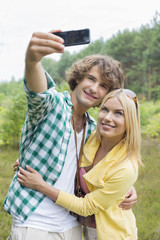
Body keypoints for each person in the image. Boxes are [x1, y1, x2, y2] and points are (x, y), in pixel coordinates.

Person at [3, 30, 137, 240]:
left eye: (103, 86)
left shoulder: (94, 128)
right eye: (90, 79)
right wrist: (32, 60)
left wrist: (127, 187)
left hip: (71, 225)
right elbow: (39, 92)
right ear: (78, 78)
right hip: (35, 221)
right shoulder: (52, 106)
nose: (94, 88)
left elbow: (108, 165)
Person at [17, 88, 142, 240]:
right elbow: (66, 154)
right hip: (84, 229)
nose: (108, 118)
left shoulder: (126, 167)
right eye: (105, 109)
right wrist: (30, 160)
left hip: (112, 234)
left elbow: (86, 207)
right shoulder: (91, 138)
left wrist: (40, 185)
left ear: (131, 121)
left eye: (118, 113)